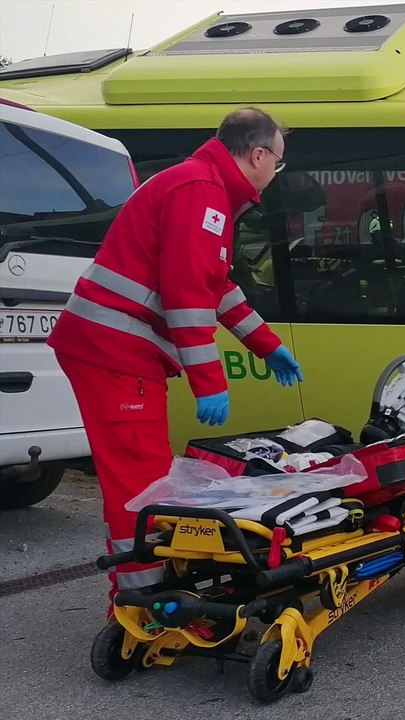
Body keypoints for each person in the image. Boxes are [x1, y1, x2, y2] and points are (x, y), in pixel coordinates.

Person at [47, 107, 304, 610]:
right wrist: (209, 380)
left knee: (141, 470)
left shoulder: (203, 188)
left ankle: (149, 584)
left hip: (112, 349)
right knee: (138, 478)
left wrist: (266, 345)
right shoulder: (201, 193)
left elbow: (217, 287)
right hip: (116, 351)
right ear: (258, 154)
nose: (276, 172)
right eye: (278, 160)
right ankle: (146, 600)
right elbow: (186, 293)